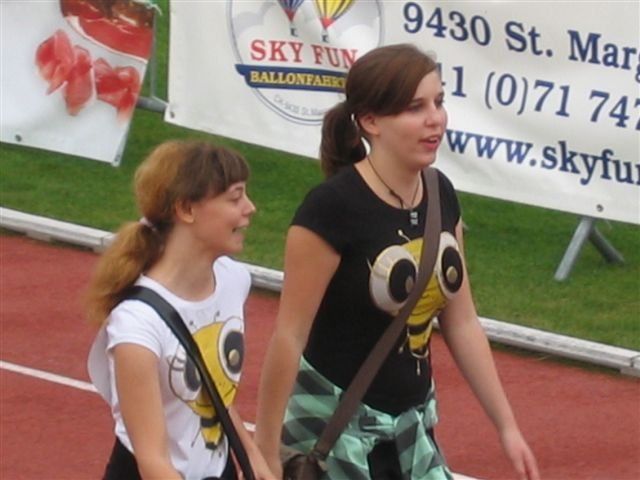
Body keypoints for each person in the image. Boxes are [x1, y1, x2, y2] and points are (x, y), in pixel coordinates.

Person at [254, 44, 540, 480]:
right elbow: (289, 336)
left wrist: (507, 426)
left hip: (412, 429)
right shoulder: (331, 208)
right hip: (335, 436)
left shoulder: (440, 192)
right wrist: (265, 452)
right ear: (371, 121)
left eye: (439, 102)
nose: (435, 119)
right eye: (415, 108)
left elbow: (462, 322)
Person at [85, 140, 275, 480]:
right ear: (186, 209)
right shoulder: (136, 325)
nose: (251, 208)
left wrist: (250, 454)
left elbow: (212, 387)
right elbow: (152, 462)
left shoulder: (234, 280)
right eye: (235, 198)